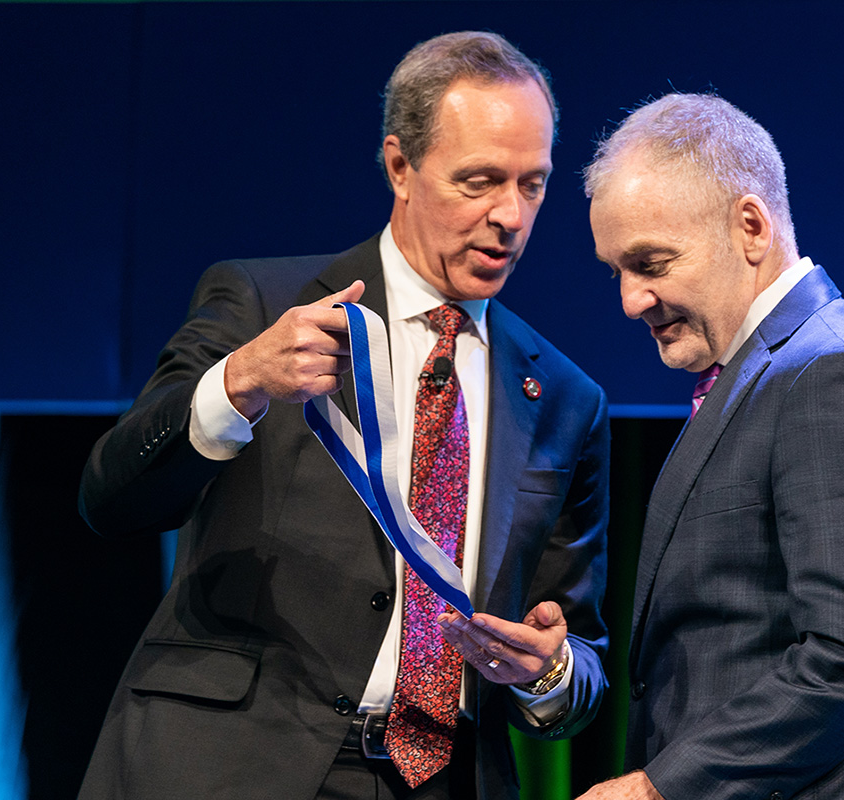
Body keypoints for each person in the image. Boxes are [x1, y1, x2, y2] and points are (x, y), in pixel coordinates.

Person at [78, 31, 609, 800]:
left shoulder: (565, 396)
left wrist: (551, 672)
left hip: (440, 781)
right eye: (480, 181)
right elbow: (110, 497)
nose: (510, 216)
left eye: (533, 184)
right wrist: (239, 382)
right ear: (400, 166)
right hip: (231, 763)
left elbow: (578, 646)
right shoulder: (266, 305)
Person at [578, 93, 844, 799]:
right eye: (616, 271)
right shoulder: (773, 371)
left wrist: (662, 787)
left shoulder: (833, 372)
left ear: (750, 226)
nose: (631, 299)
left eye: (651, 262)